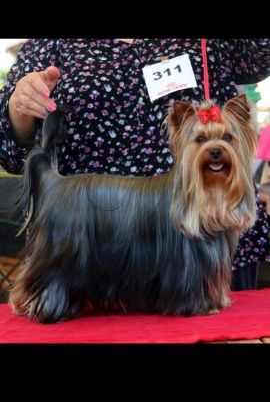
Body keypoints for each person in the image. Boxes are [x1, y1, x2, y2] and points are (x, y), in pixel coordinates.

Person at [0, 38, 270, 291]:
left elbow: (260, 54)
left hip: (210, 248)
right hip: (79, 251)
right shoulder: (51, 43)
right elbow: (7, 150)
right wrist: (18, 107)